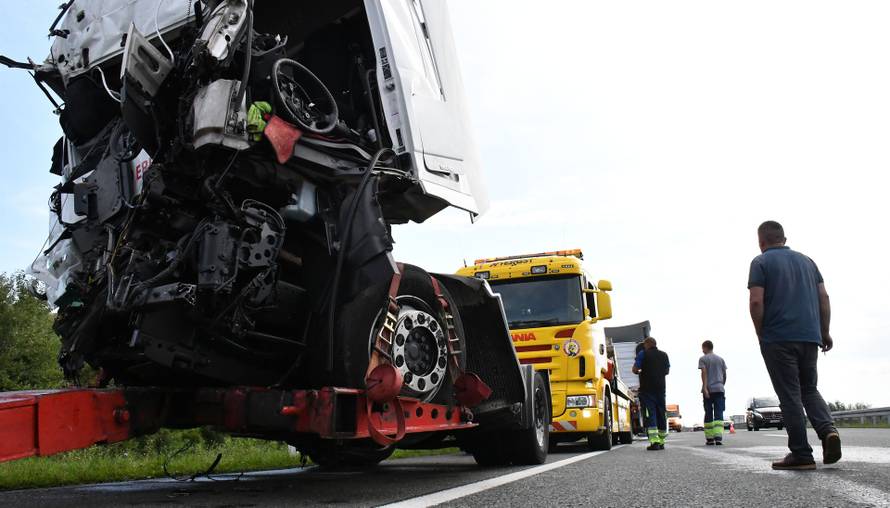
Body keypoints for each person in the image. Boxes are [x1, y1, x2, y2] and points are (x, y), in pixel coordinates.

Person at [748, 220, 841, 470]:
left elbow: (756, 301)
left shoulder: (760, 262)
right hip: (810, 336)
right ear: (784, 239)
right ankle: (828, 432)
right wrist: (825, 332)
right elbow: (824, 297)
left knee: (789, 396)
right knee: (809, 389)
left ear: (761, 242)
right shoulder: (808, 262)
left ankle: (801, 454)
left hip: (778, 338)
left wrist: (760, 333)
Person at [632, 337, 670, 450]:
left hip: (647, 389)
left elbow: (635, 369)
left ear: (647, 344)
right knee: (661, 413)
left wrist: (641, 371)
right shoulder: (664, 355)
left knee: (650, 414)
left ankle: (654, 442)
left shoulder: (643, 354)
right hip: (660, 388)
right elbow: (667, 371)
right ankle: (662, 440)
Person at [698, 340, 727, 445]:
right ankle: (718, 437)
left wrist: (705, 388)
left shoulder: (703, 359)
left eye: (702, 348)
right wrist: (721, 385)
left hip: (709, 389)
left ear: (705, 347)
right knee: (719, 412)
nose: (702, 350)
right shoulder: (720, 359)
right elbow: (724, 375)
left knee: (708, 412)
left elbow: (704, 373)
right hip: (719, 389)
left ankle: (710, 438)